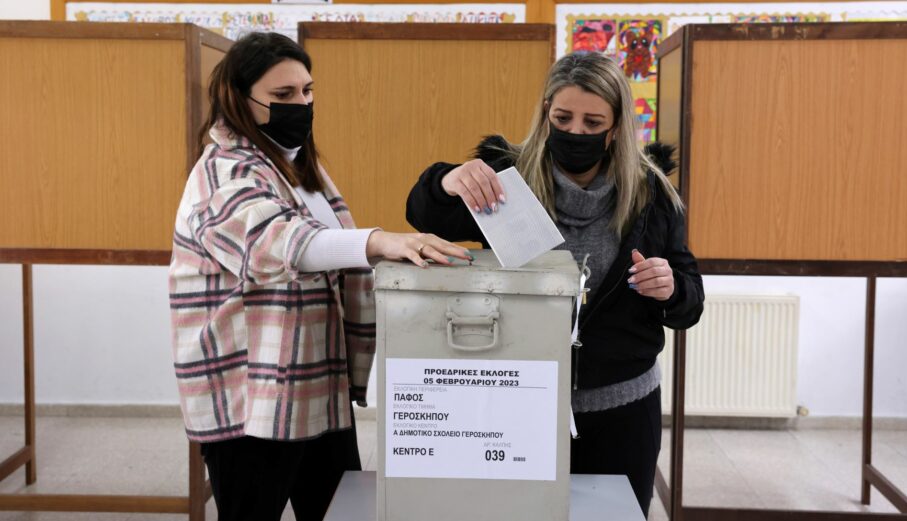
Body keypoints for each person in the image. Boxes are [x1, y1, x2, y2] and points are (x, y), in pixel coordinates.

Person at [168, 32, 469, 521]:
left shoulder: (296, 166)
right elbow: (275, 242)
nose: (301, 104)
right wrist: (380, 241)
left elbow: (326, 255)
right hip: (252, 397)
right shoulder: (223, 171)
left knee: (338, 511)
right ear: (238, 99)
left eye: (307, 91)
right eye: (283, 95)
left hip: (314, 385)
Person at [405, 51, 704, 516]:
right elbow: (423, 214)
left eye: (593, 122)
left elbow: (690, 300)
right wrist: (448, 179)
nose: (576, 133)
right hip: (517, 405)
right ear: (546, 112)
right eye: (563, 117)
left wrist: (672, 288)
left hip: (622, 410)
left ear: (617, 126)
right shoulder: (507, 179)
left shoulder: (651, 193)